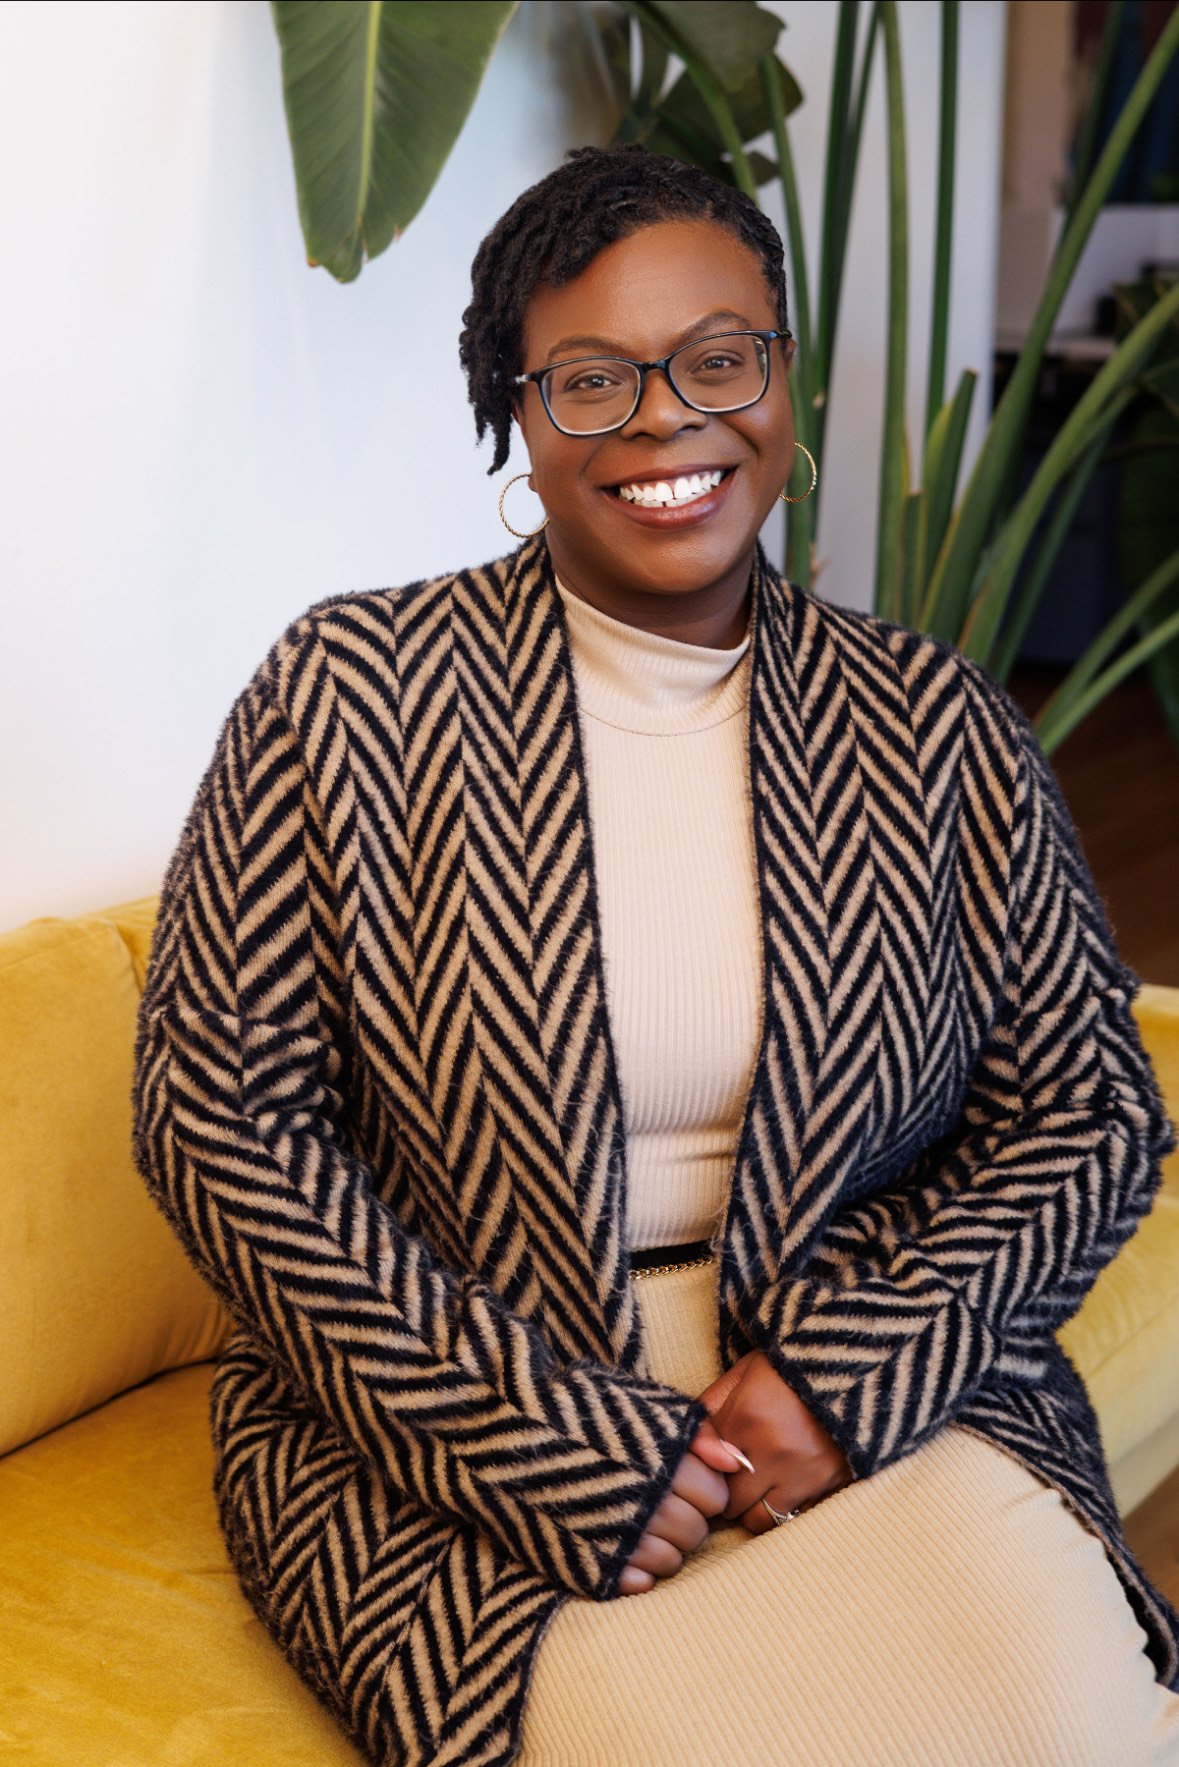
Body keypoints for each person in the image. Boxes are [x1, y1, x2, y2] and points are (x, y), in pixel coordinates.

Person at [131, 144, 1179, 1766]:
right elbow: (221, 1125)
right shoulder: (347, 697)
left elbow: (1091, 1118)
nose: (664, 421)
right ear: (517, 419)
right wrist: (544, 1440)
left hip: (858, 1375)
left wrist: (848, 1377)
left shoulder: (932, 723)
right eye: (591, 379)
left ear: (782, 376)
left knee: (1068, 1724)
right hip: (452, 1410)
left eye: (717, 358)